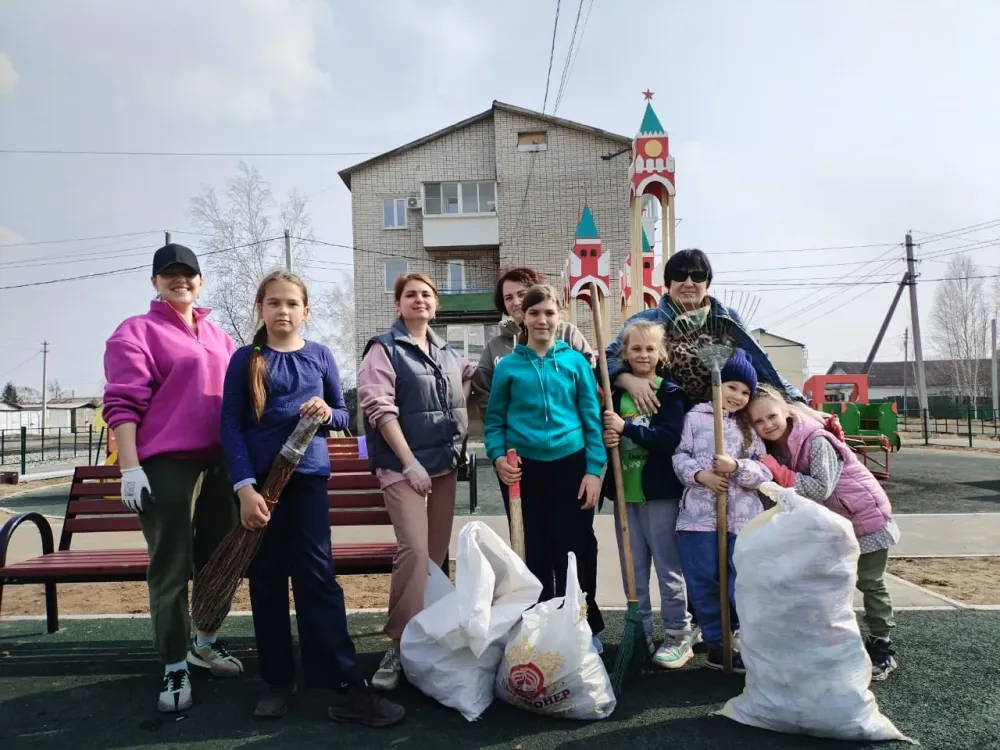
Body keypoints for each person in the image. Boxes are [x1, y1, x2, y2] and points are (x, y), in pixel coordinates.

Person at [220, 270, 405, 726]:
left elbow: (344, 414)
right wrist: (244, 488)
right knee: (265, 581)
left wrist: (327, 411)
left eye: (291, 304)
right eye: (274, 303)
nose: (283, 311)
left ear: (306, 311)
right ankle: (277, 682)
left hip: (306, 483)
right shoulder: (245, 360)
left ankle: (343, 686)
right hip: (259, 489)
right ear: (260, 309)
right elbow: (230, 426)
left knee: (317, 580)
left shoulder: (319, 355)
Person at [102, 243, 242, 714]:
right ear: (155, 282)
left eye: (188, 274)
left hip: (222, 461)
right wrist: (130, 466)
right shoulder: (134, 332)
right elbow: (121, 403)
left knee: (217, 557)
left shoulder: (221, 336)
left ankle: (205, 641)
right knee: (171, 563)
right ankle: (173, 661)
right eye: (169, 275)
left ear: (200, 281)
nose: (179, 280)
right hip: (168, 462)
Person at [358, 272, 475, 691]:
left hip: (443, 465)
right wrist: (409, 462)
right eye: (411, 295)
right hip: (403, 467)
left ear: (436, 304)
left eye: (426, 294)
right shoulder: (384, 348)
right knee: (415, 549)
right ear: (398, 303)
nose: (419, 300)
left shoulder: (446, 351)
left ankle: (429, 633)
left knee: (436, 555)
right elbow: (377, 406)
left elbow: (473, 379)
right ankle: (398, 642)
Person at [747, 383, 900, 680]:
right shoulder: (776, 445)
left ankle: (883, 645)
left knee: (869, 582)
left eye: (772, 417)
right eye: (759, 421)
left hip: (863, 519)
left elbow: (820, 487)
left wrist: (778, 474)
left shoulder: (816, 439)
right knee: (828, 584)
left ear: (786, 412)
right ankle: (838, 643)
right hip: (832, 525)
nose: (767, 425)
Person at [484, 284, 606, 652]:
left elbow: (591, 419)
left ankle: (582, 624)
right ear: (522, 316)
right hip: (525, 471)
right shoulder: (507, 367)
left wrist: (593, 470)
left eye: (549, 313)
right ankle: (540, 628)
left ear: (560, 316)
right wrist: (497, 457)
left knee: (575, 548)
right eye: (534, 312)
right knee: (533, 550)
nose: (542, 320)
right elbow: (494, 424)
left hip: (572, 465)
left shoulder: (575, 363)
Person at [601, 319, 696, 668]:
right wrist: (609, 435)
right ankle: (637, 633)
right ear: (624, 353)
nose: (642, 354)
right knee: (633, 569)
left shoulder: (670, 394)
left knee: (668, 569)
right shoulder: (615, 395)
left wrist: (626, 428)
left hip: (660, 495)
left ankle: (677, 633)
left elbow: (670, 439)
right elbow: (608, 437)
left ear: (661, 353)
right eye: (636, 348)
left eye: (650, 348)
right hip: (627, 496)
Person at [606, 248, 804, 415]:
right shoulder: (645, 322)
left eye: (698, 276)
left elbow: (761, 365)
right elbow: (607, 360)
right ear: (668, 283)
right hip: (665, 419)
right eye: (680, 276)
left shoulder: (727, 319)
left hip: (724, 421)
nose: (689, 283)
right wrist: (627, 380)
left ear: (707, 283)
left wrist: (796, 402)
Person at [671, 348, 772, 673]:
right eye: (732, 387)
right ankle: (717, 643)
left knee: (741, 581)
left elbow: (763, 472)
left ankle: (742, 638)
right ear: (716, 385)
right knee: (704, 581)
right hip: (698, 519)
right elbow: (679, 456)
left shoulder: (750, 426)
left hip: (742, 520)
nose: (739, 396)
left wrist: (736, 467)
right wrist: (702, 476)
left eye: (745, 391)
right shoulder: (695, 418)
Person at [474, 266, 594, 518]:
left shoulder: (571, 343)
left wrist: (593, 466)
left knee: (574, 538)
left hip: (569, 454)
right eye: (509, 298)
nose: (516, 302)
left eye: (522, 294)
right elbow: (489, 405)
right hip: (519, 458)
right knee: (529, 539)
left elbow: (591, 401)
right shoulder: (499, 353)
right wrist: (498, 452)